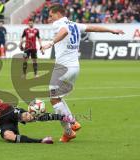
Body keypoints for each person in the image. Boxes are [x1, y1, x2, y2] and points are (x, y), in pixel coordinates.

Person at [41, 4, 124, 142]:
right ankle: (68, 133)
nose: (50, 18)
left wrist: (50, 43)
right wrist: (111, 30)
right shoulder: (75, 24)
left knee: (54, 98)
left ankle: (72, 122)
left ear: (58, 13)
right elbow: (93, 27)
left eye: (51, 15)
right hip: (75, 67)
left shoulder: (59, 24)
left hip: (63, 67)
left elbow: (63, 31)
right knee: (58, 98)